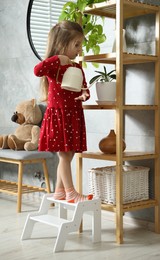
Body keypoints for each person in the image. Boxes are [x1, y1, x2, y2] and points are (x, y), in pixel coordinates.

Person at [34, 21, 93, 203]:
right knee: (64, 155)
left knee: (70, 154)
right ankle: (71, 192)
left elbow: (84, 88)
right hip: (58, 116)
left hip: (73, 116)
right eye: (76, 45)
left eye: (80, 45)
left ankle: (60, 191)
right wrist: (57, 58)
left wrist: (85, 94)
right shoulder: (54, 66)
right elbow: (38, 70)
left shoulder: (77, 67)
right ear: (61, 44)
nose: (79, 49)